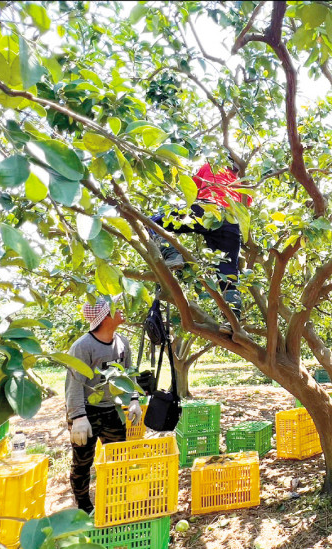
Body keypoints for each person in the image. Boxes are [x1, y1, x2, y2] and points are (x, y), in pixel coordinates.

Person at [151, 154, 251, 328]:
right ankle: (232, 321)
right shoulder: (244, 184)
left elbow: (191, 191)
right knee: (228, 273)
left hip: (207, 208)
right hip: (231, 221)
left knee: (154, 221)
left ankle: (171, 253)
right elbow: (245, 205)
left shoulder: (210, 166)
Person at [64, 296, 142, 514]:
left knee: (118, 459)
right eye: (116, 308)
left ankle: (116, 500)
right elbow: (74, 384)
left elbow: (129, 375)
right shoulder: (82, 347)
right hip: (86, 412)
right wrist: (78, 417)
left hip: (111, 409)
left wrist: (134, 399)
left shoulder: (122, 342)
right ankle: (84, 507)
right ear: (104, 316)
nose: (122, 310)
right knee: (82, 463)